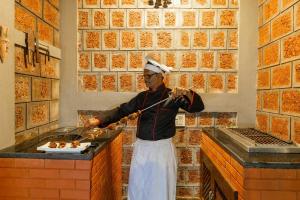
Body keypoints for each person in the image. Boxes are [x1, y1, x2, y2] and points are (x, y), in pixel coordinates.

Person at [85, 57, 205, 200]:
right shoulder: (142, 97)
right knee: (139, 187)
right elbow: (122, 111)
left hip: (162, 151)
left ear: (160, 76)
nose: (145, 79)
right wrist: (99, 119)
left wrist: (187, 93)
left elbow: (198, 107)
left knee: (160, 190)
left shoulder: (173, 96)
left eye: (149, 76)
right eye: (144, 76)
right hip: (142, 149)